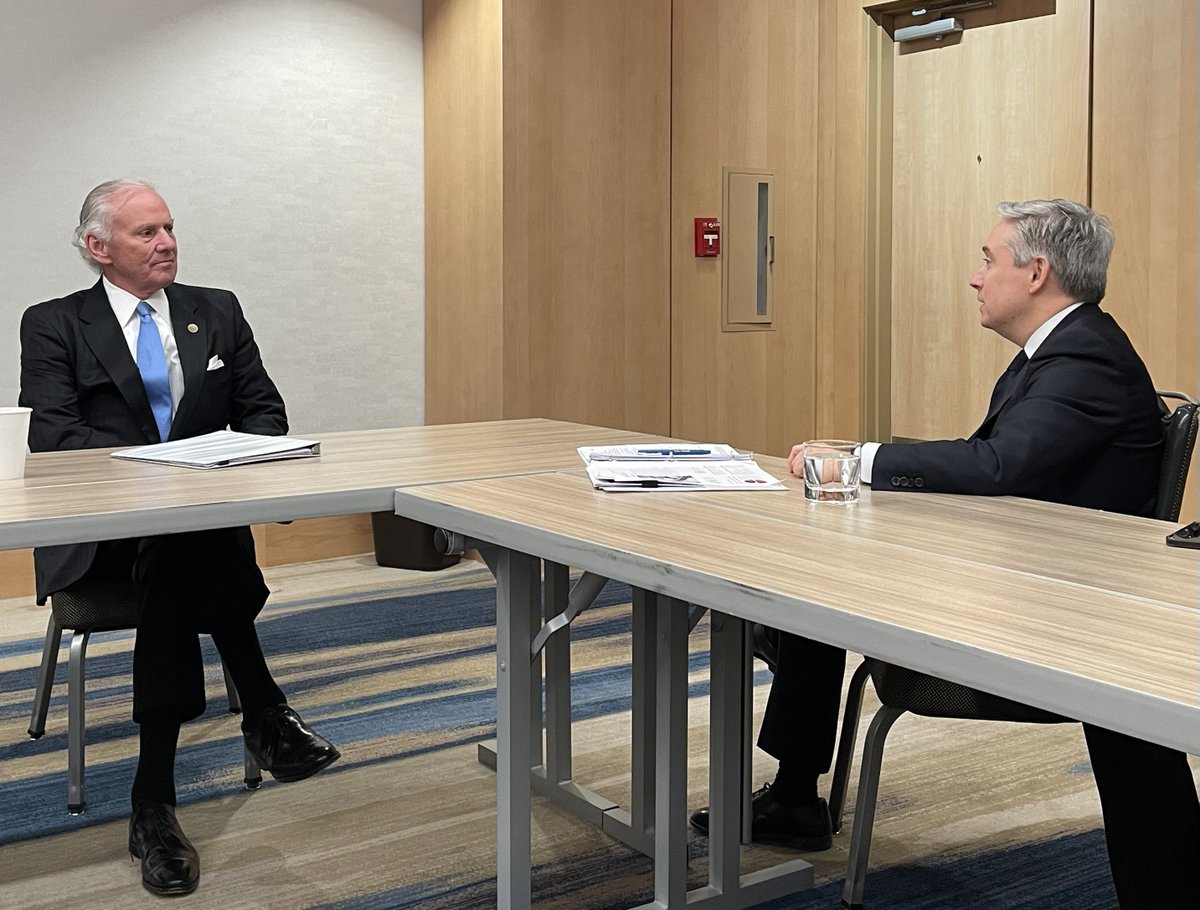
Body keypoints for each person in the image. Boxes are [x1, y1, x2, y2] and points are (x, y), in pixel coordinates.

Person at [689, 199, 1200, 907]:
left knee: (804, 594)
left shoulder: (1085, 356)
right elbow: (997, 473)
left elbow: (997, 468)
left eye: (988, 260)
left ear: (1037, 273)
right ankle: (797, 789)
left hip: (1062, 621)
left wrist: (859, 461)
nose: (975, 277)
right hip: (1028, 580)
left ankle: (794, 767)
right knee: (813, 581)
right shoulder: (1052, 353)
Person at [19, 179, 341, 897]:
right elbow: (52, 437)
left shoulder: (215, 311)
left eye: (168, 228)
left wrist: (202, 476)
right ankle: (264, 712)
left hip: (196, 526)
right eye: (146, 233)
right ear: (97, 248)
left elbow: (265, 415)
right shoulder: (53, 323)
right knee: (179, 542)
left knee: (180, 545)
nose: (166, 242)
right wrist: (159, 475)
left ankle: (153, 799)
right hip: (102, 538)